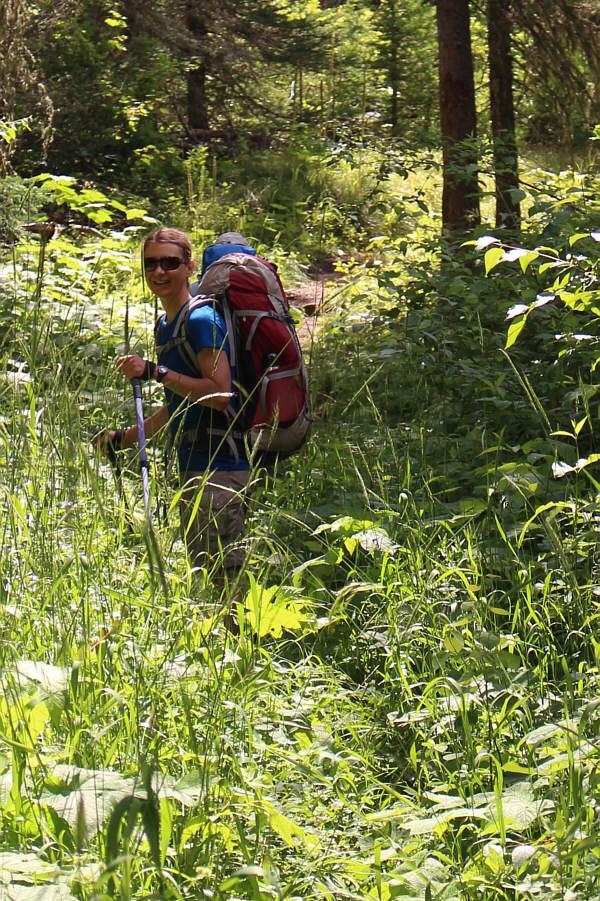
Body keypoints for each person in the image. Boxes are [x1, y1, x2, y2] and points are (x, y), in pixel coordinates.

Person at [95, 227, 251, 604]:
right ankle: (225, 649)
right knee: (206, 572)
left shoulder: (199, 321)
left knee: (225, 578)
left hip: (218, 466)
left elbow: (218, 393)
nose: (159, 272)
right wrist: (128, 438)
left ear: (189, 267)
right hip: (194, 465)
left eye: (169, 263)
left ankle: (241, 653)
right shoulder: (168, 324)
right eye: (151, 264)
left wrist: (154, 371)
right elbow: (181, 400)